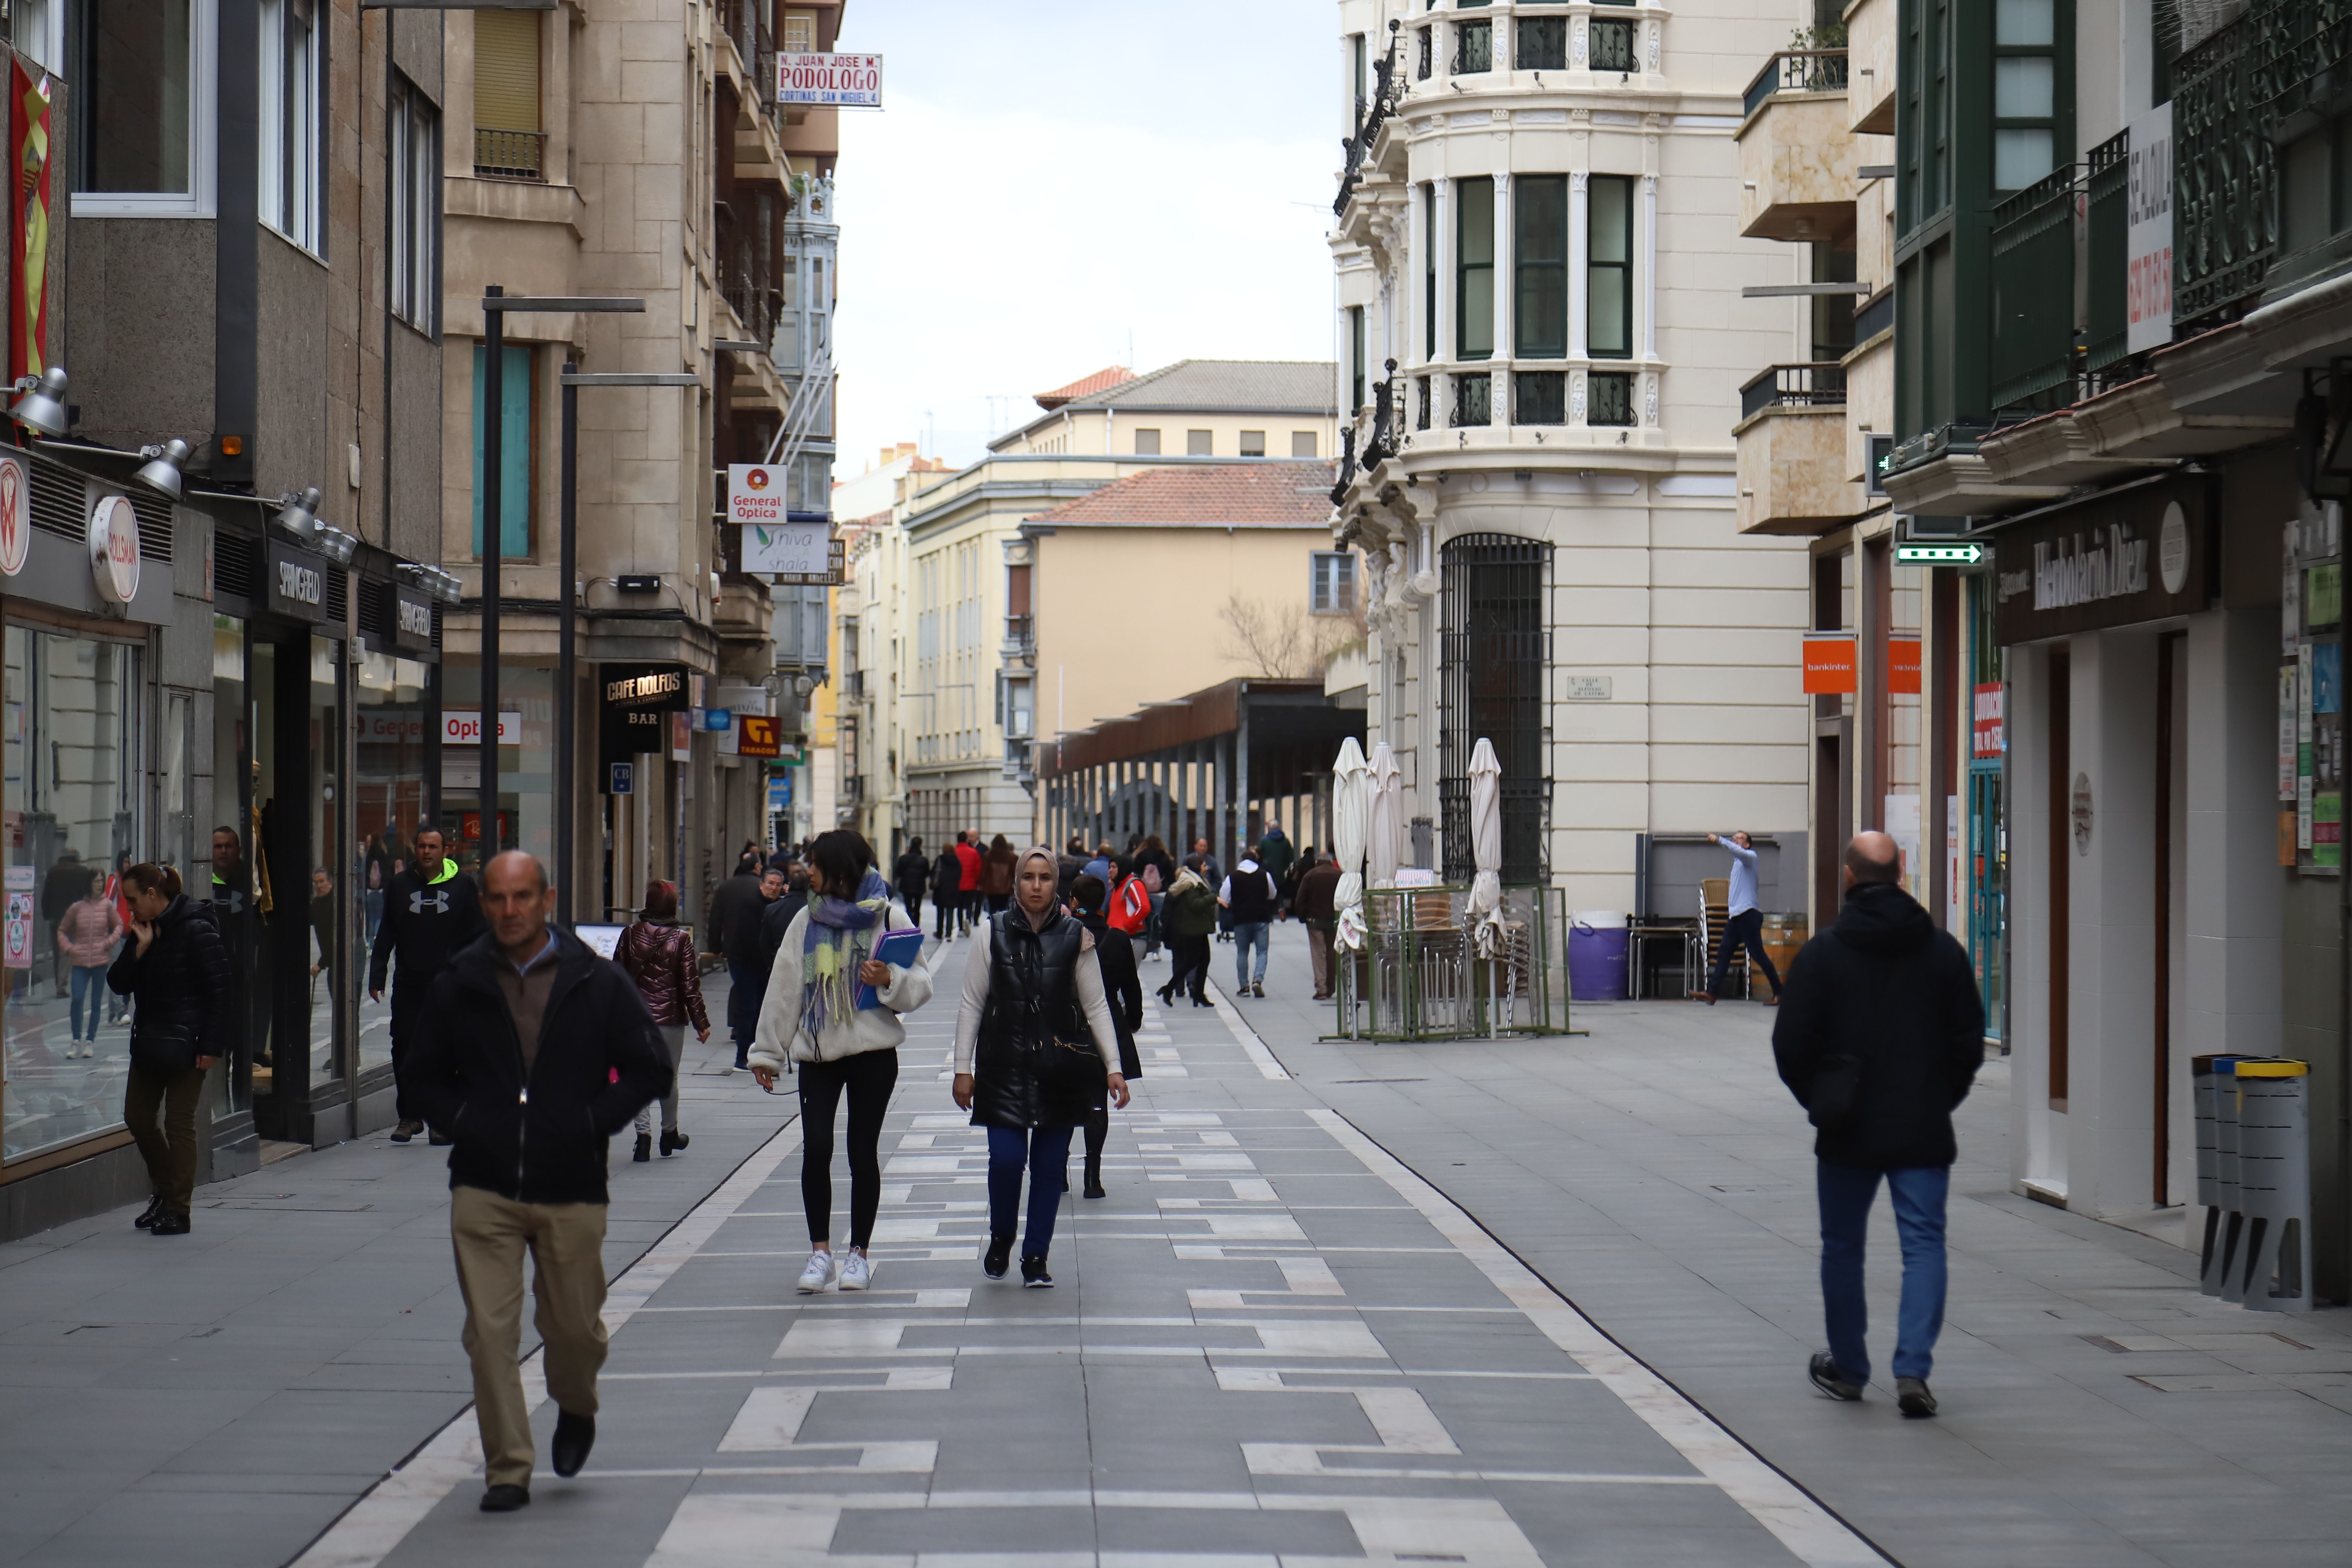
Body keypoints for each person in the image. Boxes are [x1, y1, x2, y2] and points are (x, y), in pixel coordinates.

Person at [409, 851, 672, 1513]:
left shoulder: (596, 981)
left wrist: (590, 1124)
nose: (509, 910)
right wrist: (469, 1122)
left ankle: (577, 1406)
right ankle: (508, 1468)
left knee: (574, 1330)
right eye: (497, 898)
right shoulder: (461, 980)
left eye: (522, 897)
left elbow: (647, 1068)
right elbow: (420, 1077)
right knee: (490, 1334)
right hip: (484, 1185)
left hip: (571, 1184)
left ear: (547, 901)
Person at [1772, 832, 1984, 1421]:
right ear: (1902, 874)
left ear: (1848, 877)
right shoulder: (1943, 952)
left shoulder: (1822, 955)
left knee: (1843, 1248)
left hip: (1847, 1129)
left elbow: (1791, 1044)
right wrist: (1941, 1097)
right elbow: (1969, 1040)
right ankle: (1913, 1369)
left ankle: (1849, 1369)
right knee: (1924, 1246)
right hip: (1922, 1126)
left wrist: (1820, 1099)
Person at [750, 830, 931, 1293]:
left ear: (842, 869)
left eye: (815, 864)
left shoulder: (888, 915)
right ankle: (820, 1252)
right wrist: (768, 1052)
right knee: (816, 1148)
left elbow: (921, 985)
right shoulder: (804, 920)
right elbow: (785, 986)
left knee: (861, 1151)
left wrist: (890, 977)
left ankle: (859, 1255)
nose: (807, 871)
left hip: (873, 1053)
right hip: (819, 1054)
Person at [952, 846, 1131, 1286]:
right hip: (1003, 1066)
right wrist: (963, 1067)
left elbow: (1097, 1005)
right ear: (1016, 882)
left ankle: (1036, 1256)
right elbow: (973, 1002)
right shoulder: (989, 933)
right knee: (1007, 1160)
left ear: (1057, 884)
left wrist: (1113, 1065)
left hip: (1060, 1068)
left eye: (1045, 877)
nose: (1036, 885)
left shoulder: (1077, 936)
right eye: (1029, 877)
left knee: (1050, 1167)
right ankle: (1002, 1235)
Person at [106, 864, 234, 1237]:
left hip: (188, 1044)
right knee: (138, 1116)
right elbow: (118, 982)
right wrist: (139, 950)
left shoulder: (197, 927)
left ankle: (178, 1208)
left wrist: (211, 1044)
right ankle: (164, 1191)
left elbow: (221, 989)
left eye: (132, 899)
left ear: (151, 894)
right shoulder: (143, 931)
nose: (129, 909)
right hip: (149, 1041)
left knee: (179, 1123)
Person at [370, 826, 486, 1145]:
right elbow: (387, 931)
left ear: (445, 850)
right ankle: (410, 1117)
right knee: (406, 1048)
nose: (427, 852)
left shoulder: (463, 885)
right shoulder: (399, 886)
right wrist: (377, 974)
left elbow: (479, 935)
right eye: (422, 846)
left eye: (433, 847)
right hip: (410, 984)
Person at [616, 880, 709, 1161]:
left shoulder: (630, 934)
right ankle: (669, 1134)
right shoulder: (680, 939)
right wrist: (701, 1022)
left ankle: (643, 1139)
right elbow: (690, 985)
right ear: (672, 906)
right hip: (669, 1020)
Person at [1069, 874, 1143, 1200]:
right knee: (1099, 1101)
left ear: (1074, 901)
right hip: (1108, 1020)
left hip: (1068, 1022)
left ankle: (1058, 1171)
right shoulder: (1118, 939)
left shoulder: (1064, 936)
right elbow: (1132, 987)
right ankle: (1092, 1177)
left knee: (1062, 1096)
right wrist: (1133, 1021)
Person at [1694, 830, 1784, 1006]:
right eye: (1734, 837)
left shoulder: (1750, 857)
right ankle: (1712, 993)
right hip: (1736, 916)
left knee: (1758, 955)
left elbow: (1739, 852)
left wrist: (1720, 840)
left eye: (1740, 838)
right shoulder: (1738, 864)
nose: (1735, 840)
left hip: (1748, 914)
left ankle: (1780, 992)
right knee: (1724, 953)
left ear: (1748, 844)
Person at [724, 865, 787, 1070]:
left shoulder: (779, 905)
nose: (774, 888)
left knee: (761, 1009)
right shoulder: (752, 904)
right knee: (748, 1009)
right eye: (770, 883)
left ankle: (756, 1052)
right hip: (745, 962)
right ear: (761, 884)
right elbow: (750, 939)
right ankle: (742, 1057)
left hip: (764, 964)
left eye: (778, 885)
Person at [56, 869, 122, 1056]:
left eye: (102, 881)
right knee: (77, 999)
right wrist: (69, 948)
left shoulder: (108, 906)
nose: (100, 884)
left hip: (100, 961)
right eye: (96, 881)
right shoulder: (77, 908)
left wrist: (109, 942)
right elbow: (62, 930)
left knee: (95, 1003)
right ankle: (76, 1039)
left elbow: (119, 925)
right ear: (90, 883)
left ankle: (90, 1041)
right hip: (80, 961)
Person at [1159, 856, 1217, 1008]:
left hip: (1198, 929)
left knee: (1204, 961)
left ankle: (1198, 994)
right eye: (1204, 865)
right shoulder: (1192, 884)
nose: (1207, 868)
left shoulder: (1196, 881)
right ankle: (1170, 989)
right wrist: (1214, 898)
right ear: (1198, 867)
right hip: (1191, 930)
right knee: (1192, 962)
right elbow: (1196, 905)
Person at [1218, 848, 1278, 998]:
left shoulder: (1232, 877)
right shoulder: (1265, 875)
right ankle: (1258, 979)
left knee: (1242, 952)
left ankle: (1244, 987)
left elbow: (1224, 897)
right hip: (1261, 917)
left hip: (1241, 918)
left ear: (1242, 861)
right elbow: (1273, 894)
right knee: (1262, 951)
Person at [1292, 851, 1342, 1001]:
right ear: (1331, 862)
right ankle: (1331, 987)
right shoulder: (1339, 875)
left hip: (1315, 921)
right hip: (1334, 920)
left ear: (1317, 863)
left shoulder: (1310, 876)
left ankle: (1321, 989)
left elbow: (1301, 899)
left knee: (1319, 954)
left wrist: (1303, 917)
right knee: (1332, 953)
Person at [1133, 835, 1176, 959]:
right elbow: (1171, 877)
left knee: (1146, 921)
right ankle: (1156, 951)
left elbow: (1135, 874)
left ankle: (1145, 947)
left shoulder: (1140, 857)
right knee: (1157, 922)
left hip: (1144, 893)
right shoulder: (1164, 857)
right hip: (1161, 892)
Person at [1256, 822, 1295, 911]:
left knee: (1268, 889)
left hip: (1267, 871)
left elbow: (1259, 855)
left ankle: (1269, 910)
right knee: (1280, 890)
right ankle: (1281, 907)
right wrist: (1285, 866)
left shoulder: (1264, 841)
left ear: (1269, 828)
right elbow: (1291, 856)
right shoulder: (1286, 841)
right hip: (1281, 872)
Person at [893, 836, 930, 928]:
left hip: (906, 885)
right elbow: (927, 873)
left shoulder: (903, 859)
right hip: (919, 886)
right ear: (920, 846)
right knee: (917, 908)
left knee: (908, 907)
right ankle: (916, 926)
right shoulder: (924, 860)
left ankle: (909, 926)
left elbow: (898, 872)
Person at [930, 839, 964, 939]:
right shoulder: (957, 861)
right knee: (950, 912)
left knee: (940, 913)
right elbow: (960, 874)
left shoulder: (940, 860)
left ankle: (940, 932)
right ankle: (949, 933)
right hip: (953, 889)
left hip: (940, 889)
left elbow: (933, 872)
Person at [953, 831, 985, 935]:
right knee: (969, 904)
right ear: (966, 839)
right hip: (971, 883)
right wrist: (978, 881)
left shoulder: (954, 852)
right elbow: (978, 869)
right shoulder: (973, 852)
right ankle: (968, 918)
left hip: (958, 884)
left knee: (959, 907)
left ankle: (961, 928)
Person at [980, 833, 1018, 916]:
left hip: (991, 889)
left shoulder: (987, 857)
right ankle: (1002, 926)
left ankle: (993, 925)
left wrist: (983, 885)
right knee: (1004, 909)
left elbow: (984, 873)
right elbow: (1015, 873)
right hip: (1006, 889)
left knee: (992, 909)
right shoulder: (1012, 858)